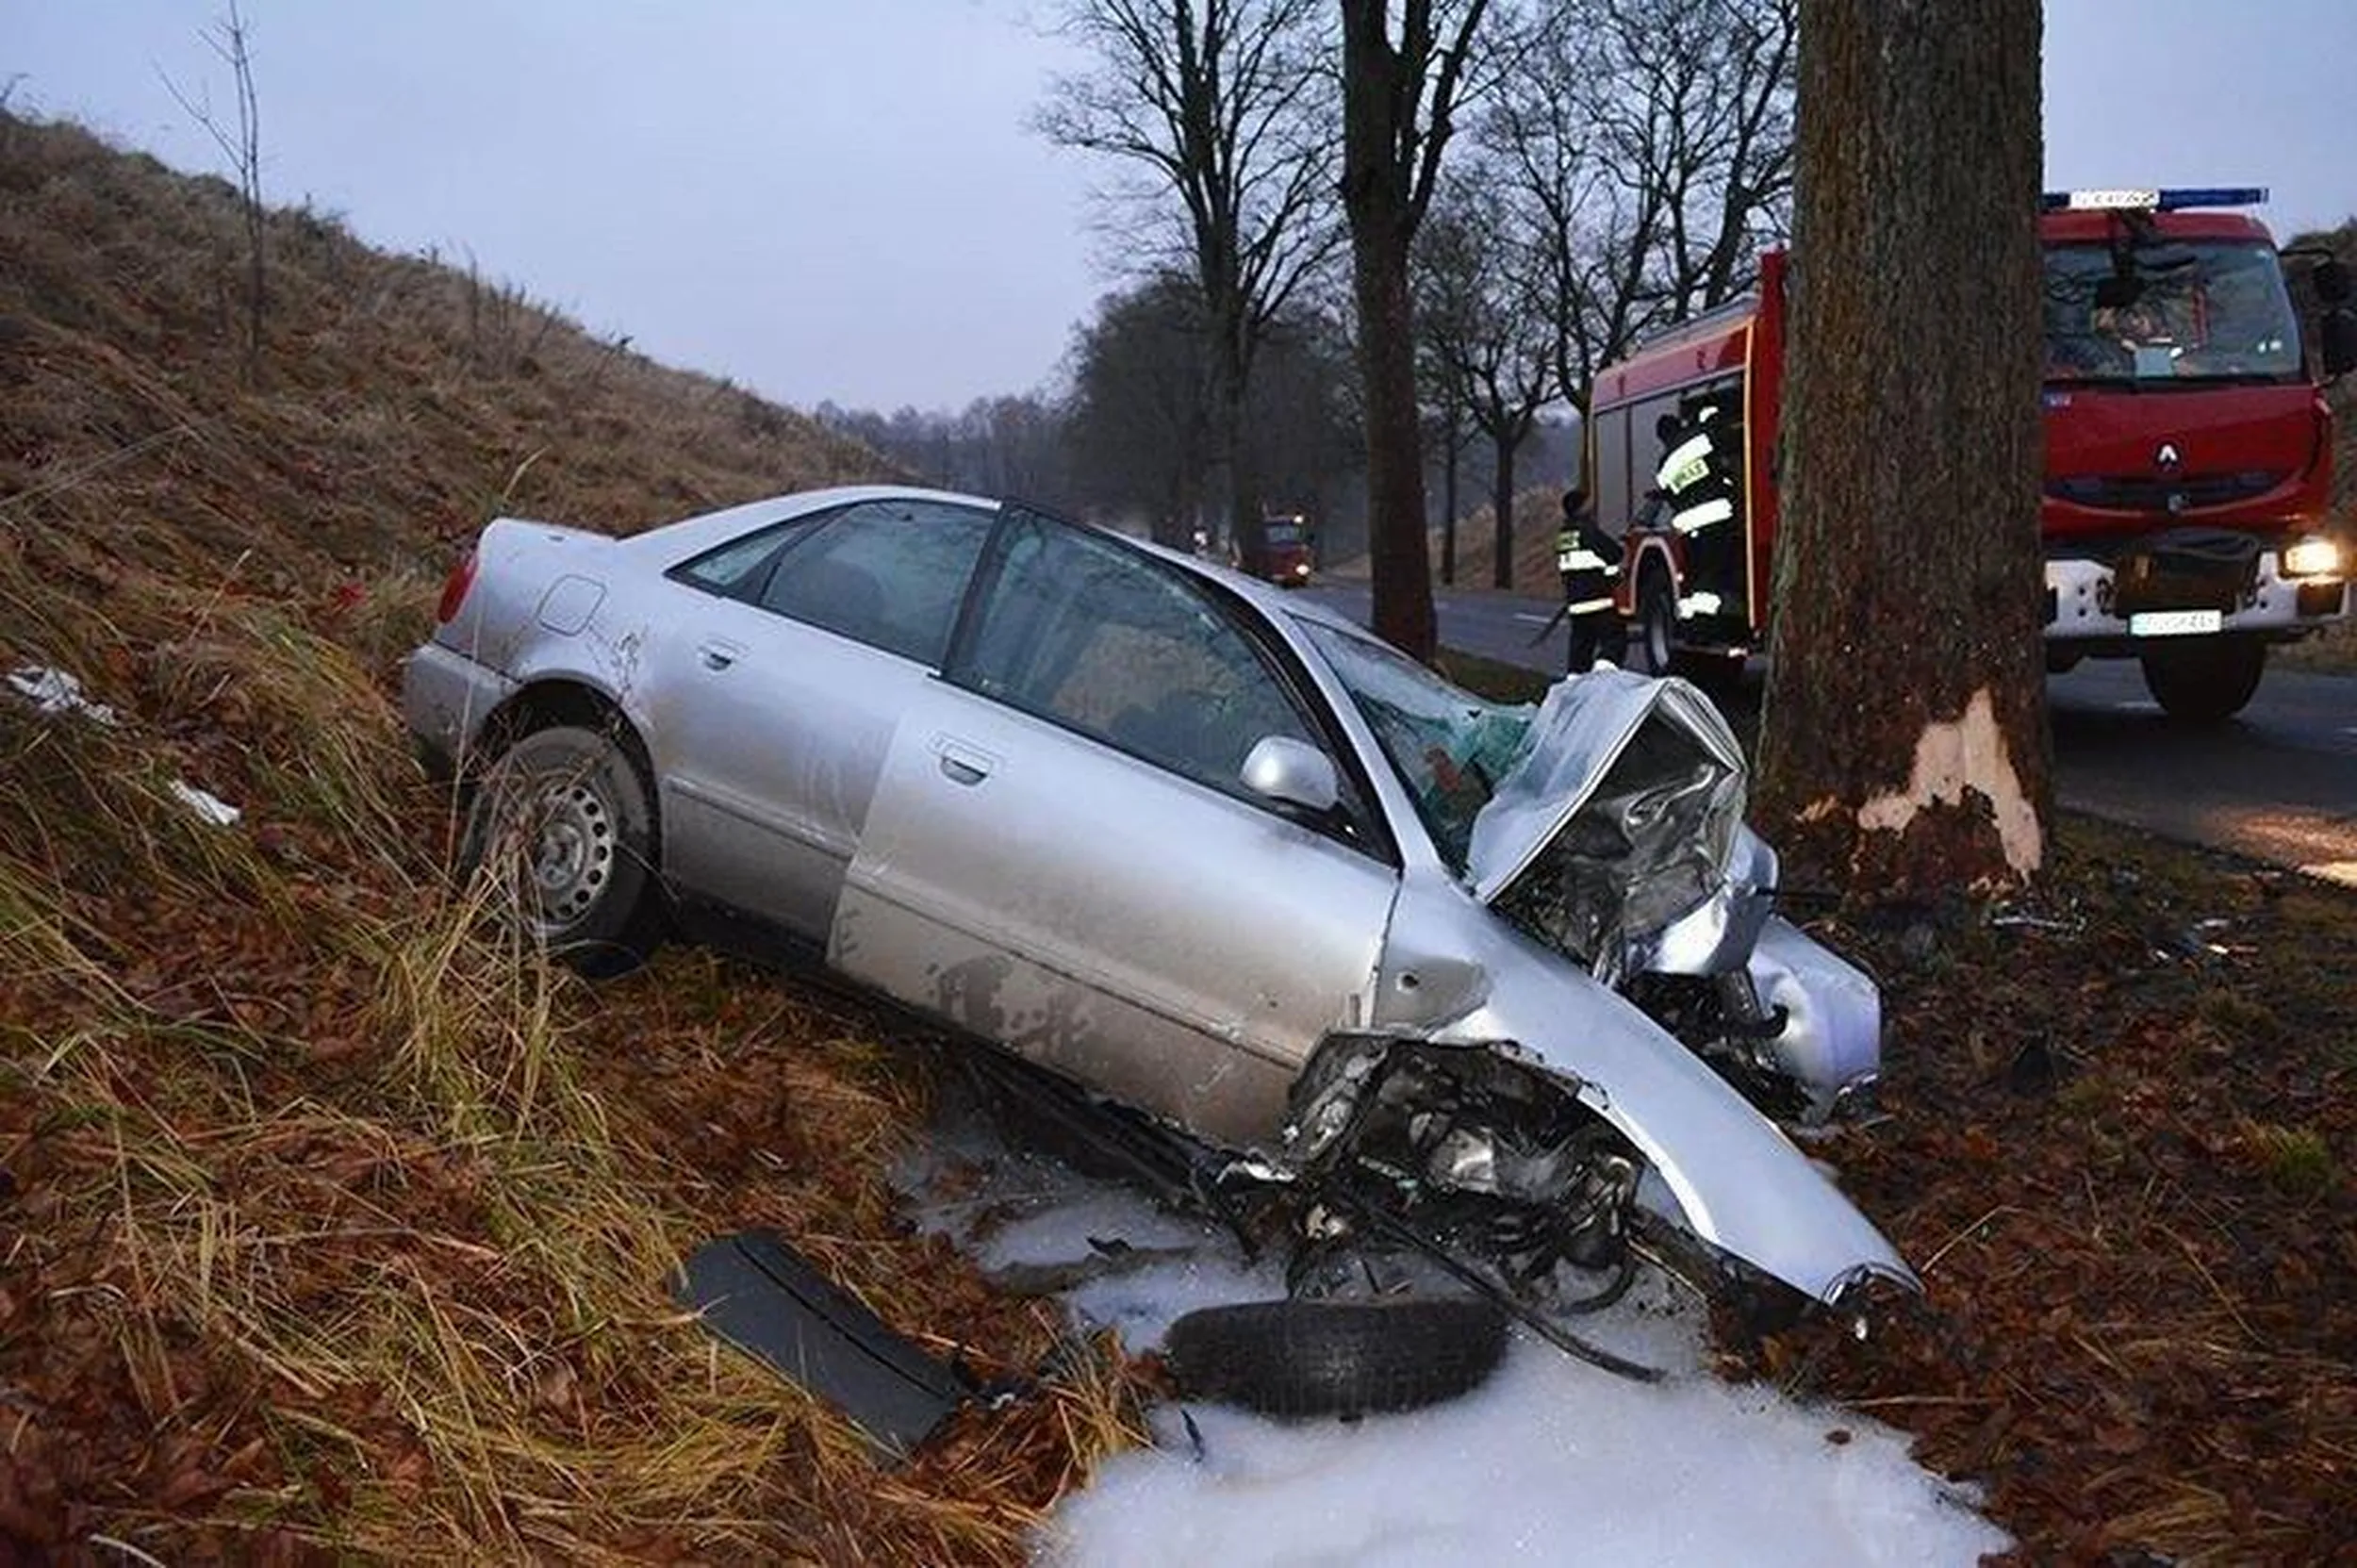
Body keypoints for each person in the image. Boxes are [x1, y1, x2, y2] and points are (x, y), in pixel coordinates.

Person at [1555, 487, 1624, 673]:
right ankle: (1602, 675)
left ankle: (1575, 682)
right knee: (1613, 641)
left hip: (1576, 603)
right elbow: (1614, 553)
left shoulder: (1563, 536)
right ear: (1579, 508)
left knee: (1581, 648)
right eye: (1587, 504)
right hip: (1598, 600)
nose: (1592, 508)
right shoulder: (1588, 532)